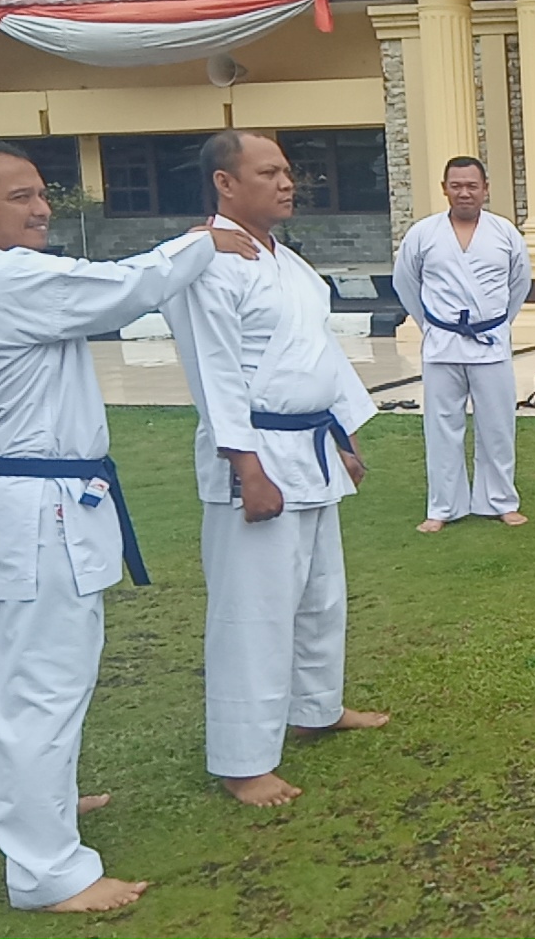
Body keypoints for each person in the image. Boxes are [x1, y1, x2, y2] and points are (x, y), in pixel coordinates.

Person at [0, 139, 258, 912]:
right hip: (28, 511)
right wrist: (200, 241)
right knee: (35, 685)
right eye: (20, 196)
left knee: (34, 677)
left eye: (41, 191)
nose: (42, 206)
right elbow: (122, 290)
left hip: (30, 502)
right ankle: (48, 872)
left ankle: (41, 803)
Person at [162, 131, 387, 809]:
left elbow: (316, 352)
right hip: (256, 450)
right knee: (253, 611)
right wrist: (246, 466)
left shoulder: (284, 260)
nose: (287, 182)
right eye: (269, 172)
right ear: (226, 183)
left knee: (320, 595)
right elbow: (215, 374)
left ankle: (315, 707)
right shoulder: (204, 261)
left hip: (310, 445)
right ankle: (242, 759)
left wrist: (343, 433)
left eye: (288, 171)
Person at [393, 156, 531, 533]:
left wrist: (497, 322)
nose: (464, 192)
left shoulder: (505, 233)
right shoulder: (423, 234)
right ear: (444, 188)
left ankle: (500, 500)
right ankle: (443, 506)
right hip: (441, 342)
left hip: (490, 341)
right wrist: (431, 325)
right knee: (441, 426)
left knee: (498, 426)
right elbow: (405, 283)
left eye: (472, 185)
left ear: (486, 188)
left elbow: (519, 285)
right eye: (456, 185)